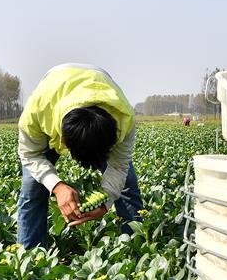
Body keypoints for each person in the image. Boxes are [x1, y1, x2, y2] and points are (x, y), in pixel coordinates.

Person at [17, 63, 143, 249]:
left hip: (99, 83)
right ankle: (30, 255)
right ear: (64, 142)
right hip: (53, 94)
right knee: (32, 191)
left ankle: (138, 247)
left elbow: (119, 166)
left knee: (127, 186)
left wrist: (106, 202)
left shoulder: (123, 118)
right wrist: (57, 186)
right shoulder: (37, 112)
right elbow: (29, 155)